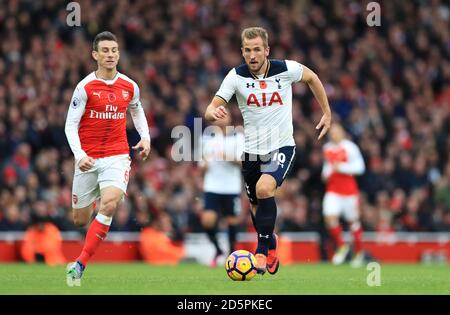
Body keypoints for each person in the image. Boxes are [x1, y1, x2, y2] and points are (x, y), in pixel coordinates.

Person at [204, 27, 332, 275]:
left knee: (264, 188)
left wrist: (326, 112)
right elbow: (213, 106)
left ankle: (262, 252)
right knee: (255, 206)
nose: (252, 55)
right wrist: (213, 113)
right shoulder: (235, 76)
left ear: (266, 50)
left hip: (282, 145)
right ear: (242, 52)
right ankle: (271, 243)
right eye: (248, 50)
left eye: (257, 50)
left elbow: (312, 78)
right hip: (252, 151)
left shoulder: (285, 69)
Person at [65, 31, 151, 282]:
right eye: (105, 50)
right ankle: (93, 200)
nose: (110, 54)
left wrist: (145, 137)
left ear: (118, 54)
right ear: (95, 55)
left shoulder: (129, 86)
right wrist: (79, 155)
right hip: (87, 159)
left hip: (117, 155)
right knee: (80, 220)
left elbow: (137, 110)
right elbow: (70, 125)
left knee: (111, 203)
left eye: (114, 50)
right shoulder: (85, 87)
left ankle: (80, 264)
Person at [199, 114, 244, 267]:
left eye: (223, 115)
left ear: (229, 118)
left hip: (231, 186)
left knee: (232, 221)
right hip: (212, 185)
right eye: (217, 115)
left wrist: (227, 157)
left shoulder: (238, 138)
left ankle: (231, 255)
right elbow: (201, 162)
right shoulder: (207, 138)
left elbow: (242, 162)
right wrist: (203, 166)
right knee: (207, 221)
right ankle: (218, 249)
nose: (220, 118)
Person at [322, 123, 365, 267]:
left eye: (336, 131)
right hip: (333, 190)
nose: (334, 134)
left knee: (353, 223)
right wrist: (326, 173)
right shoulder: (327, 149)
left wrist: (341, 167)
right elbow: (327, 167)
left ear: (342, 132)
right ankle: (342, 246)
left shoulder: (350, 147)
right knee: (329, 217)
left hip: (349, 192)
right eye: (332, 132)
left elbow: (360, 167)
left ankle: (359, 253)